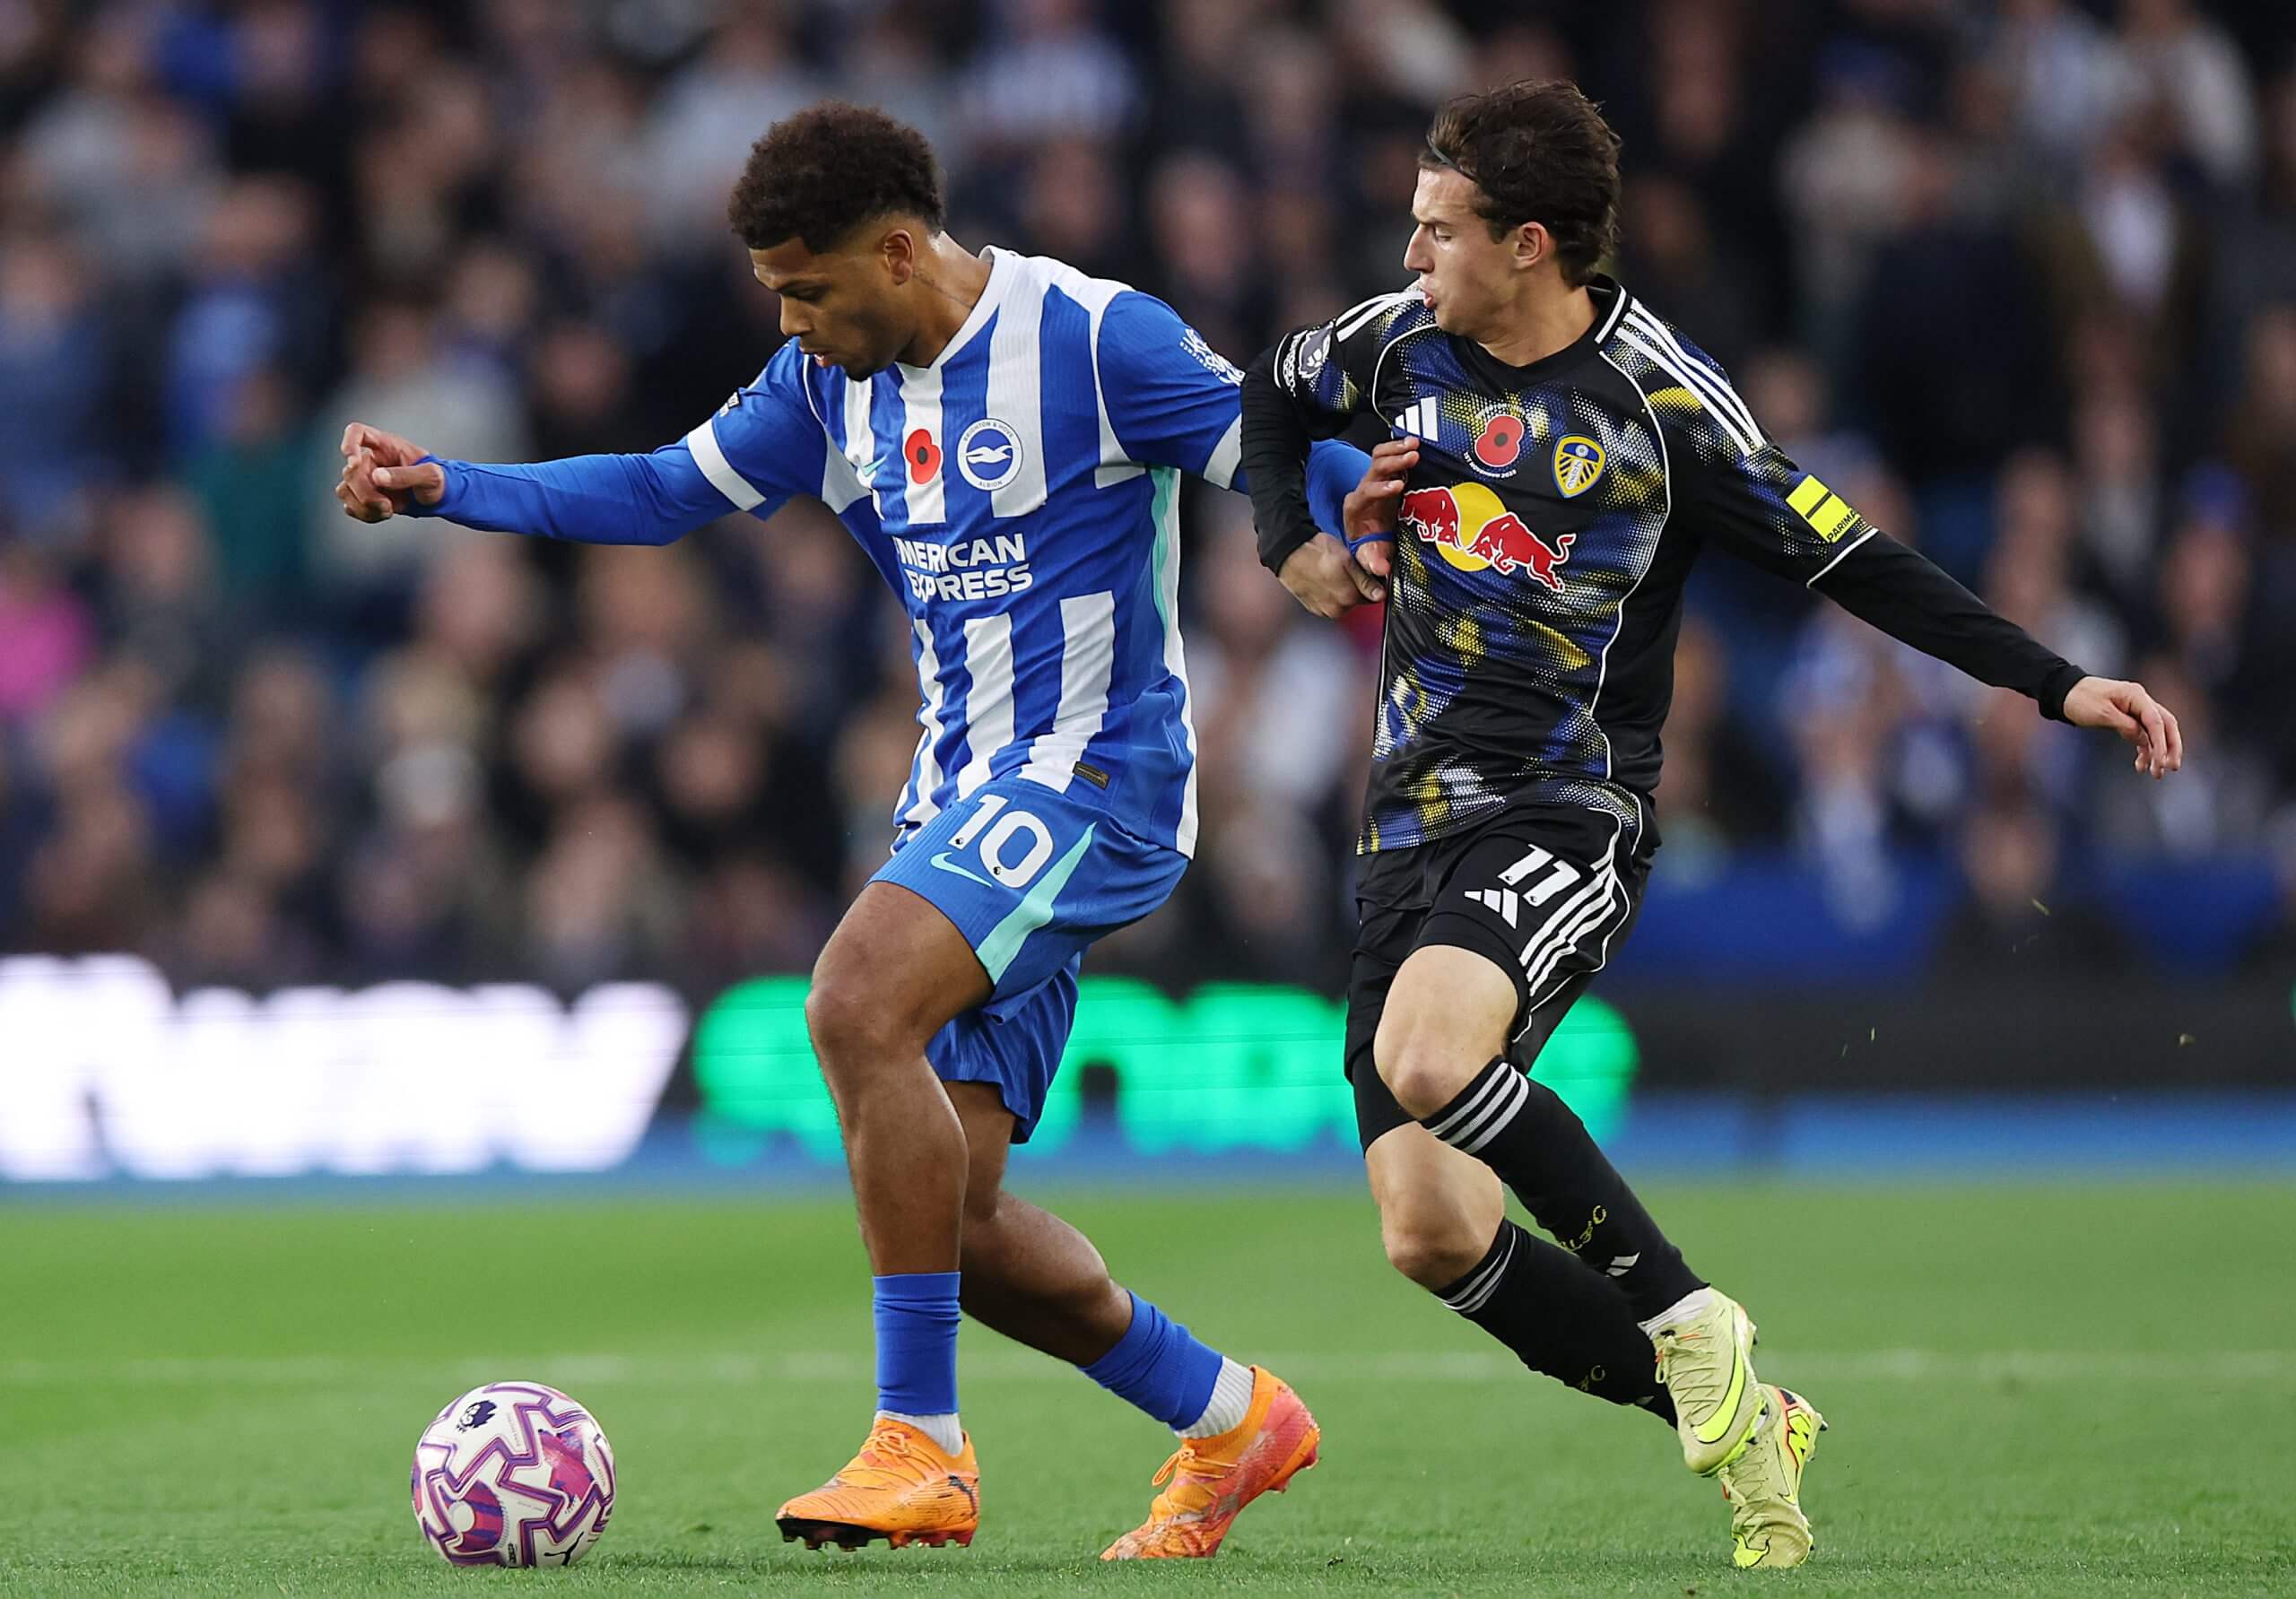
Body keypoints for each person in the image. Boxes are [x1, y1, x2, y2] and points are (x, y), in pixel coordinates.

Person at [337, 101, 1376, 1561]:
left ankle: (920, 1448)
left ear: (898, 253)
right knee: (956, 1220)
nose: (792, 320)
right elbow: (654, 491)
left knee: (849, 1000)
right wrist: (455, 487)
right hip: (959, 798)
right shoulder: (830, 394)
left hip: (1100, 773)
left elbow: (1276, 445)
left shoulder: (1093, 339)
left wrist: (1355, 520)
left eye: (807, 289)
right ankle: (1228, 1417)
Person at [1241, 79, 2183, 1570]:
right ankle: (1756, 1418)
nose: (1409, 259)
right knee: (1428, 1231)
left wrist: (2056, 684)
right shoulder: (1394, 340)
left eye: (1437, 233)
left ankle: (1691, 1320)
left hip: (1568, 808)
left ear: (1532, 244)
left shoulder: (1661, 405)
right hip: (1405, 826)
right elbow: (1275, 395)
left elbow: (1853, 559)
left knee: (1433, 1057)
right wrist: (1291, 540)